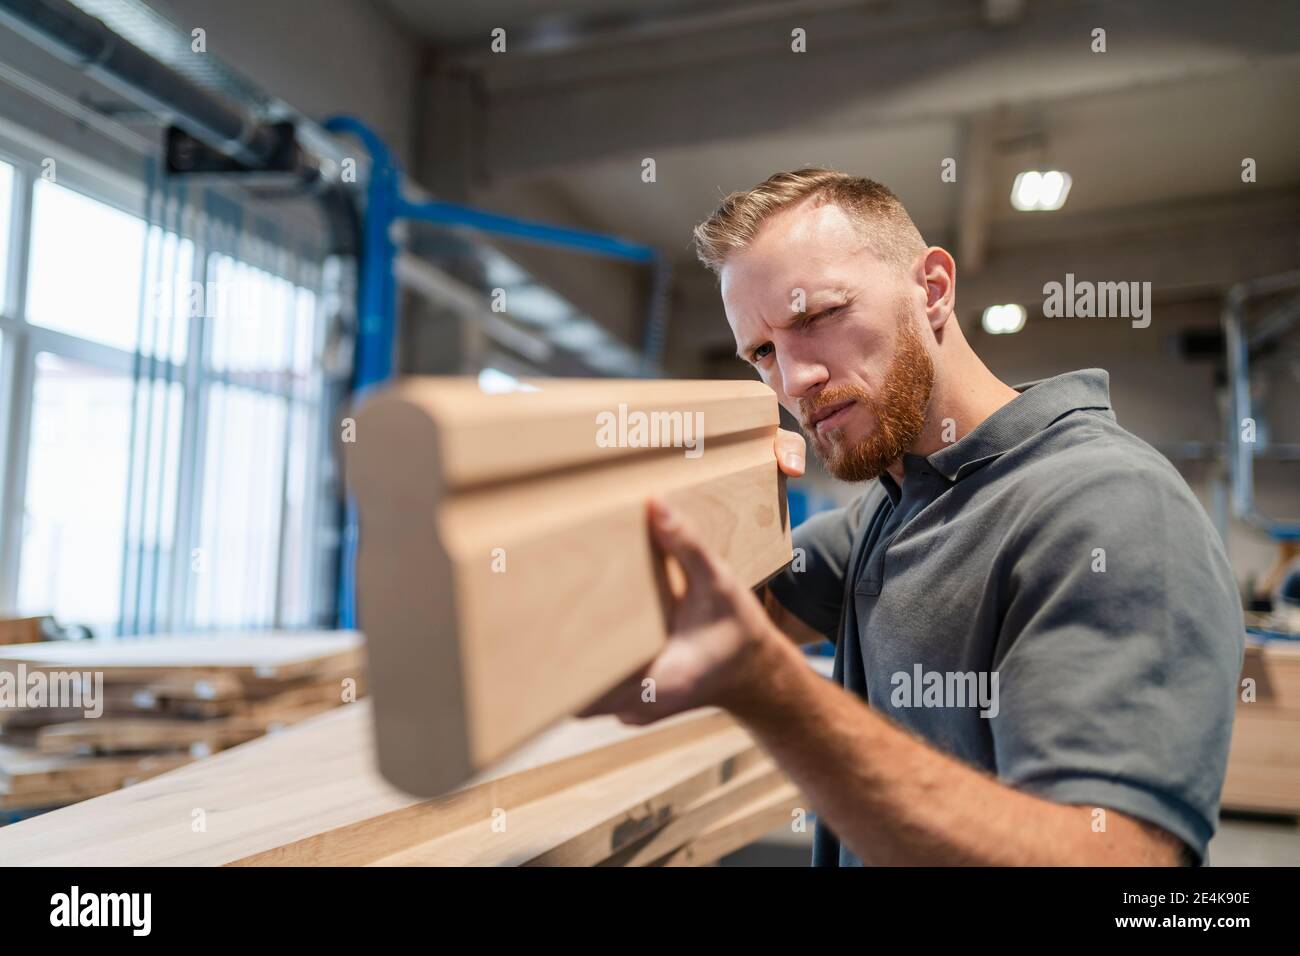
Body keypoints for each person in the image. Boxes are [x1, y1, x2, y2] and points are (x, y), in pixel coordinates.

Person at [583, 168, 1244, 866]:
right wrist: (726, 497)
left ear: (931, 289)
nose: (794, 381)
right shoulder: (900, 501)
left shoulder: (1107, 507)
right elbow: (734, 608)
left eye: (816, 317)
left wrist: (774, 694)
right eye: (764, 352)